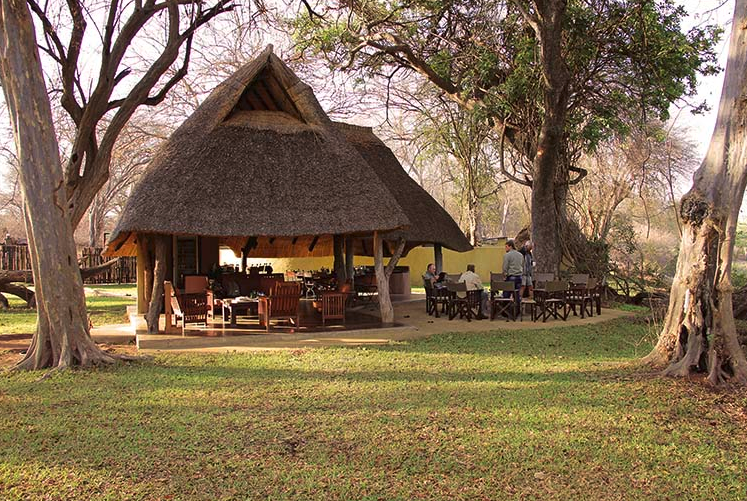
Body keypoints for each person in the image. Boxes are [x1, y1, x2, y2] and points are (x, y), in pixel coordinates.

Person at [503, 240, 524, 304]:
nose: (505, 248)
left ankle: (506, 311)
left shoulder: (507, 255)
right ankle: (517, 311)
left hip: (511, 276)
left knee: (506, 294)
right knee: (517, 294)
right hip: (519, 277)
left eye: (506, 247)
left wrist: (505, 275)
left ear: (510, 246)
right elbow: (522, 265)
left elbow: (505, 267)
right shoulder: (520, 255)